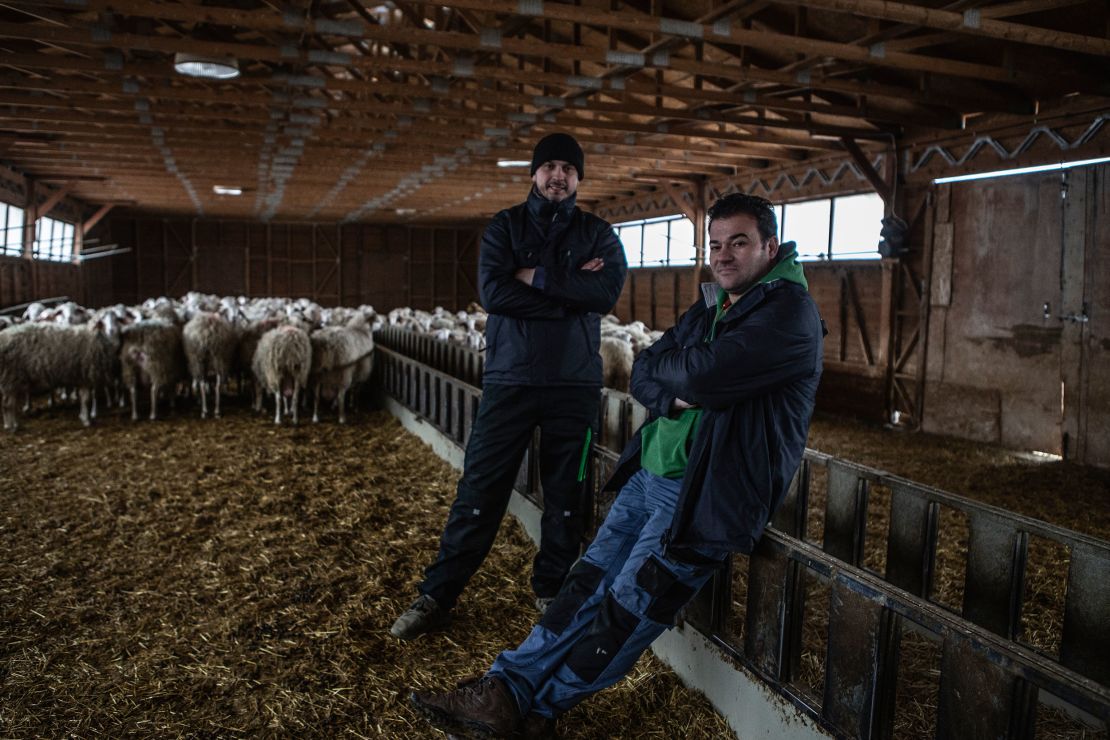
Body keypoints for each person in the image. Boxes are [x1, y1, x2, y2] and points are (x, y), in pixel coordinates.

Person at [408, 193, 825, 737]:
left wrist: (685, 378)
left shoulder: (790, 312)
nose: (722, 255)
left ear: (771, 246)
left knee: (626, 612)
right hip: (650, 475)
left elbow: (699, 377)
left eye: (739, 243)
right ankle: (504, 689)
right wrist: (678, 385)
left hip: (701, 497)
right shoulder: (716, 304)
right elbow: (645, 369)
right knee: (584, 587)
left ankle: (536, 711)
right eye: (715, 244)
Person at [390, 132, 628, 640]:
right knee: (480, 489)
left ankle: (553, 590)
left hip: (573, 385)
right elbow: (495, 293)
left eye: (568, 168)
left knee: (568, 496)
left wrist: (535, 277)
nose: (558, 176)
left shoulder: (599, 234)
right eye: (549, 167)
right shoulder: (505, 226)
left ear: (579, 177)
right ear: (534, 173)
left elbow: (604, 294)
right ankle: (438, 593)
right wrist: (569, 292)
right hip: (510, 380)